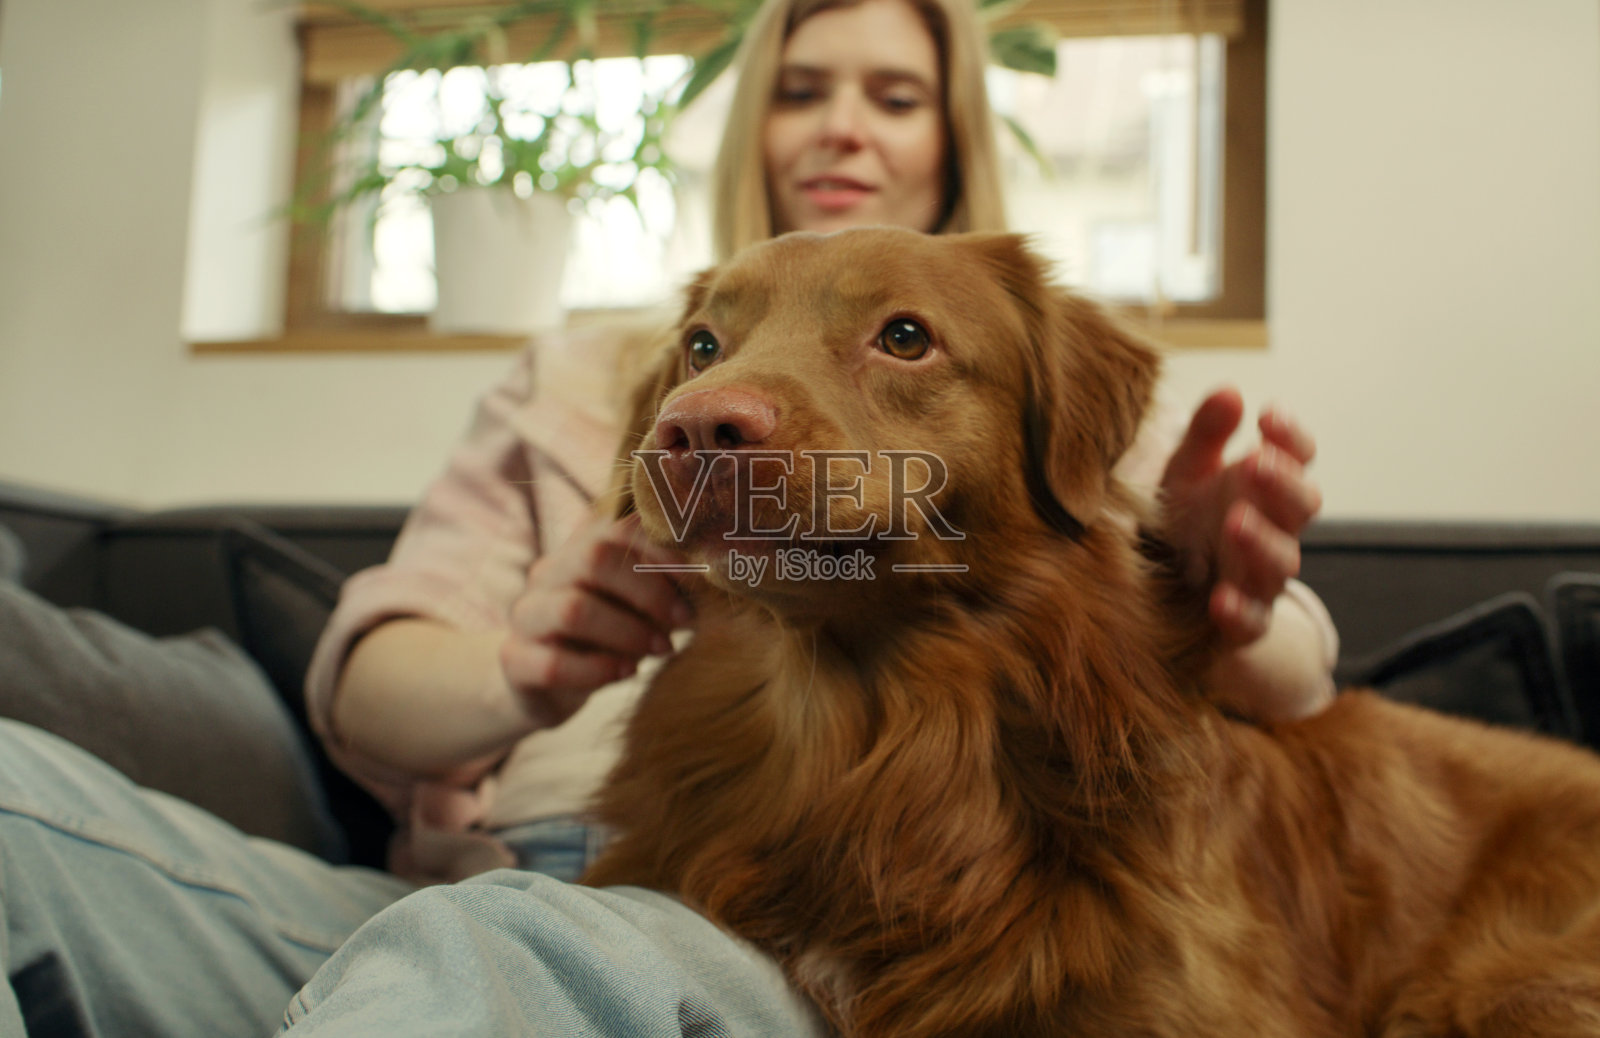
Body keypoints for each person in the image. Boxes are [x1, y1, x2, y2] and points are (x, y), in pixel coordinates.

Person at [0, 0, 1334, 1033]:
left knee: (517, 944)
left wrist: (1205, 585)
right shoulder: (583, 373)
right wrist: (520, 664)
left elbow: (1297, 667)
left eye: (896, 95)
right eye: (803, 90)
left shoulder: (1023, 361)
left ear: (952, 136)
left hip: (763, 930)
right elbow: (367, 679)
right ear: (755, 120)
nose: (842, 127)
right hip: (441, 895)